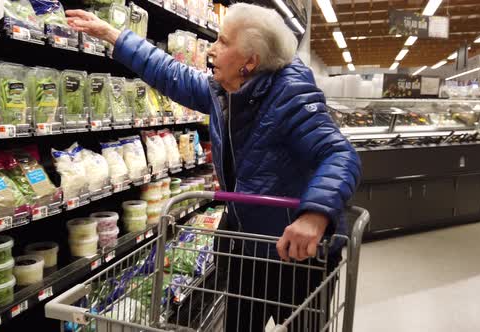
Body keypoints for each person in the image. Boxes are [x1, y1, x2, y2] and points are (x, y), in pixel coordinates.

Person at [67, 3, 361, 330]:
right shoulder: (224, 91)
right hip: (244, 245)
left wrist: (315, 215)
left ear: (250, 61)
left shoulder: (291, 96)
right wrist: (113, 35)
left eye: (223, 42)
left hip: (296, 253)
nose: (211, 49)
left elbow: (340, 154)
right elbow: (170, 73)